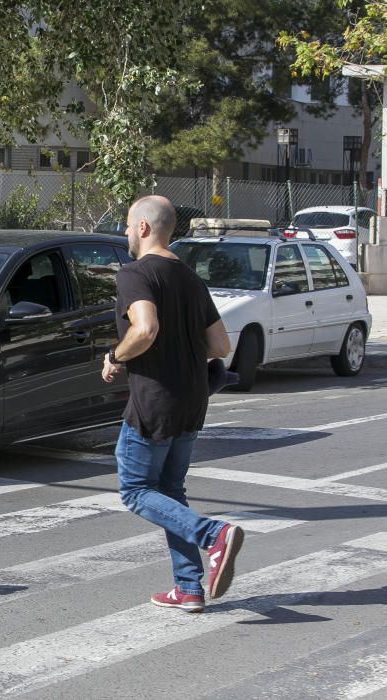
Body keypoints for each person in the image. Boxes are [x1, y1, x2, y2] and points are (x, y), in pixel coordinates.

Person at [102, 195, 242, 613]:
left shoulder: (135, 274)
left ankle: (213, 534)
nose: (126, 233)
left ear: (143, 228)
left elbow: (144, 329)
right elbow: (220, 345)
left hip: (154, 402)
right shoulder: (190, 278)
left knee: (136, 491)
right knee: (169, 492)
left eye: (128, 225)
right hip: (192, 401)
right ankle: (189, 587)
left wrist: (115, 356)